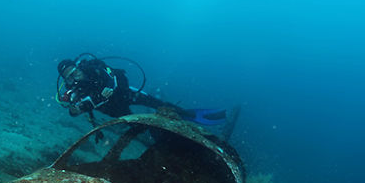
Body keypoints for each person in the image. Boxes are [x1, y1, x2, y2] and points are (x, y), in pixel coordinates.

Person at [56, 54, 235, 135]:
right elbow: (74, 111)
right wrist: (75, 109)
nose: (74, 76)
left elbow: (115, 76)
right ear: (66, 79)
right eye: (69, 76)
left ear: (78, 66)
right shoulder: (74, 91)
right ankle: (159, 136)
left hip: (126, 94)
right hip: (113, 110)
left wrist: (110, 89)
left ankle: (190, 115)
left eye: (74, 71)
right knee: (138, 124)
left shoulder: (94, 68)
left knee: (158, 103)